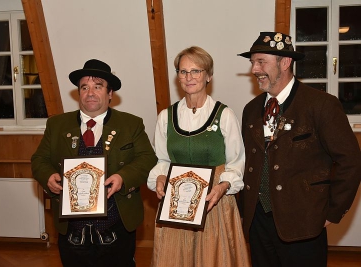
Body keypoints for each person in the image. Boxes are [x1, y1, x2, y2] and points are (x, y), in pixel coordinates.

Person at [238, 31, 361, 267]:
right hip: (258, 222)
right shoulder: (251, 109)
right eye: (253, 62)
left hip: (304, 221)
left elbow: (351, 161)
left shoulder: (321, 105)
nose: (254, 69)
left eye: (261, 61)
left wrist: (330, 213)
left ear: (285, 62)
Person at [31, 59, 157, 267]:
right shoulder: (56, 124)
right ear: (78, 93)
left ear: (110, 94)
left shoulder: (131, 124)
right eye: (85, 87)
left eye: (98, 87)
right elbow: (39, 160)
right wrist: (48, 176)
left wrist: (122, 177)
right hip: (72, 233)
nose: (90, 93)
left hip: (116, 228)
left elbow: (147, 159)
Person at [147, 46, 250, 267]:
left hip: (214, 200)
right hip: (177, 203)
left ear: (208, 76)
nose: (189, 77)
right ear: (178, 78)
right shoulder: (166, 116)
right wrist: (160, 177)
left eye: (196, 71)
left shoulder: (225, 115)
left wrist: (223, 186)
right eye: (183, 72)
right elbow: (163, 160)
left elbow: (236, 162)